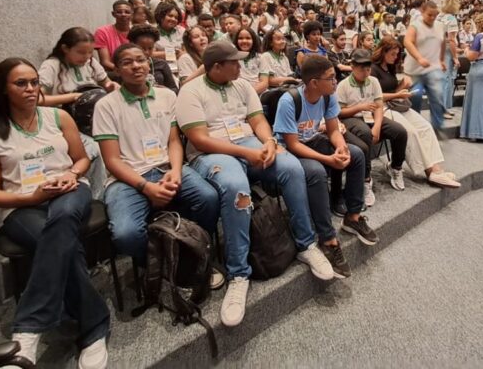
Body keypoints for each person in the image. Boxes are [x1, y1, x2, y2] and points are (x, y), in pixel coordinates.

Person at [176, 42, 333, 327]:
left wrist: (269, 141)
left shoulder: (242, 86)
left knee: (291, 167)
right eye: (234, 63)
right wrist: (247, 153)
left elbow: (258, 120)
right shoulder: (190, 91)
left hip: (247, 142)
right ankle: (239, 273)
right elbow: (200, 139)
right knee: (236, 187)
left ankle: (306, 244)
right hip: (210, 153)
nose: (241, 66)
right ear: (216, 67)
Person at [0, 58, 109, 369]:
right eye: (21, 83)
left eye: (34, 82)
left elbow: (82, 159)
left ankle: (28, 329)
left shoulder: (58, 117)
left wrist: (71, 174)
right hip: (22, 205)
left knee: (62, 220)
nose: (31, 88)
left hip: (70, 190)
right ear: (3, 89)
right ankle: (95, 327)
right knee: (65, 246)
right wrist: (31, 196)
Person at [93, 44, 220, 281]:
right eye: (127, 62)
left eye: (140, 60)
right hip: (126, 178)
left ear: (149, 63)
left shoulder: (167, 96)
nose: (136, 66)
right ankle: (160, 265)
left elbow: (173, 141)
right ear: (117, 70)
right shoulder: (106, 105)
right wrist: (146, 187)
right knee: (126, 234)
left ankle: (194, 253)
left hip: (166, 167)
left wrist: (176, 171)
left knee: (208, 198)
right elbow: (111, 160)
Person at [274, 55, 378, 278]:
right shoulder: (289, 101)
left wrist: (341, 147)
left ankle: (353, 217)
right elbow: (292, 144)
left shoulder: (328, 96)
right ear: (314, 82)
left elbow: (332, 130)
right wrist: (328, 159)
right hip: (291, 150)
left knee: (356, 154)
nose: (335, 82)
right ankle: (327, 238)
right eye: (330, 78)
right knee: (316, 171)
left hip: (313, 140)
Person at [371, 37, 458, 188]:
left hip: (395, 104)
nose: (395, 57)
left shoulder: (390, 67)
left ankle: (436, 168)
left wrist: (403, 86)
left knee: (425, 126)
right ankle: (430, 172)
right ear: (383, 52)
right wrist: (397, 95)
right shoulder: (373, 69)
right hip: (381, 108)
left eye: (397, 54)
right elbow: (374, 96)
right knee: (411, 131)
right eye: (392, 54)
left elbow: (392, 90)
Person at [336, 49, 408, 203]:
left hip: (371, 116)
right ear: (353, 66)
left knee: (400, 131)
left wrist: (377, 126)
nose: (366, 72)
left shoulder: (373, 81)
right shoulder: (343, 85)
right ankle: (366, 178)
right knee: (365, 133)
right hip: (351, 118)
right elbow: (340, 112)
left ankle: (395, 167)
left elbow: (379, 106)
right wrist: (359, 107)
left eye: (368, 68)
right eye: (362, 68)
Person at [39, 28, 117, 107]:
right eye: (81, 52)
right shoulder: (51, 66)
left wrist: (111, 86)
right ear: (65, 48)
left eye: (90, 52)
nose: (86, 56)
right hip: (62, 111)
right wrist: (73, 97)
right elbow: (39, 99)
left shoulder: (91, 62)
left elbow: (106, 82)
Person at [403, 1, 447, 131]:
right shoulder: (415, 26)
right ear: (422, 12)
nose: (432, 18)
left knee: (437, 96)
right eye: (429, 15)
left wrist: (442, 59)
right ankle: (416, 126)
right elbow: (408, 42)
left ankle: (437, 128)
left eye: (435, 15)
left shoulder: (440, 26)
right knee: (415, 97)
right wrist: (419, 58)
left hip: (433, 68)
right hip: (415, 70)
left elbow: (443, 43)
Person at [127, 25, 178, 93]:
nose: (146, 52)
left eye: (150, 48)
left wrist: (165, 90)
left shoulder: (161, 64)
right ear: (132, 45)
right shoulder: (127, 66)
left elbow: (174, 89)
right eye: (142, 48)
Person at [94, 0, 132, 72]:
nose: (123, 14)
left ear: (132, 14)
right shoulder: (102, 32)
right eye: (119, 12)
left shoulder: (136, 32)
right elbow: (105, 62)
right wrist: (125, 71)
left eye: (127, 12)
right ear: (113, 14)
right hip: (113, 71)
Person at [439, 0, 461, 118]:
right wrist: (455, 57)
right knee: (446, 81)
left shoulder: (439, 16)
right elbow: (451, 39)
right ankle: (442, 109)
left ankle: (444, 108)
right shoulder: (451, 19)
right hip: (447, 50)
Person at [235, 27, 267, 94]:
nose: (244, 41)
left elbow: (264, 83)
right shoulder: (232, 59)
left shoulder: (260, 57)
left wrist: (250, 94)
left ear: (254, 40)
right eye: (240, 38)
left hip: (258, 92)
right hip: (239, 93)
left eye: (248, 38)